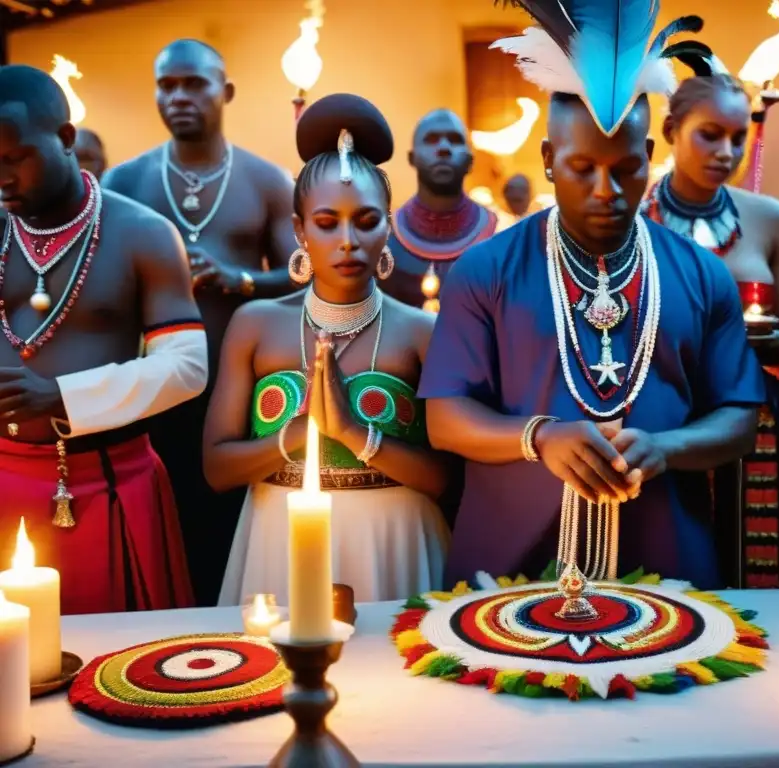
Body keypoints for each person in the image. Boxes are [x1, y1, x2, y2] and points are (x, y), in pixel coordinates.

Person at [419, 5, 764, 587]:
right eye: (582, 167)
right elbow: (445, 419)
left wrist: (668, 447)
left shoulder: (703, 276)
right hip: (508, 572)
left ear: (650, 156)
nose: (605, 190)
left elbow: (739, 419)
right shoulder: (485, 270)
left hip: (670, 566)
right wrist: (540, 436)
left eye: (626, 169)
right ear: (550, 161)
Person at [208, 93, 450, 604]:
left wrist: (353, 433)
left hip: (394, 542)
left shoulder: (421, 331)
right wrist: (297, 434)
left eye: (366, 222)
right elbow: (217, 468)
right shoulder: (256, 324)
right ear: (298, 229)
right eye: (326, 223)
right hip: (279, 538)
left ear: (389, 224)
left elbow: (446, 479)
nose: (347, 241)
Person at [0, 65, 205, 614]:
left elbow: (187, 366)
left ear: (65, 140)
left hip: (107, 482)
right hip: (3, 474)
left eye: (13, 158)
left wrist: (64, 397)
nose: (2, 178)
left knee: (118, 674)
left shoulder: (143, 232)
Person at [103, 39, 297, 605]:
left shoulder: (266, 180)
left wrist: (239, 280)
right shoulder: (125, 181)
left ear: (226, 92)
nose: (179, 96)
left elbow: (303, 271)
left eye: (195, 83)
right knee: (167, 522)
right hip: (154, 392)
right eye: (167, 85)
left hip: (240, 390)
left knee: (228, 527)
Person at [641, 59, 779, 588]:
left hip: (760, 416)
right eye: (709, 136)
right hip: (670, 415)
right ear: (671, 131)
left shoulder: (772, 218)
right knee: (676, 561)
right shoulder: (634, 221)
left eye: (737, 138)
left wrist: (755, 340)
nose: (726, 153)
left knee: (760, 562)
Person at [383, 109, 498, 312]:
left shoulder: (501, 238)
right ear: (412, 158)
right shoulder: (383, 241)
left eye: (454, 140)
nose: (444, 148)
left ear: (470, 161)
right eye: (431, 140)